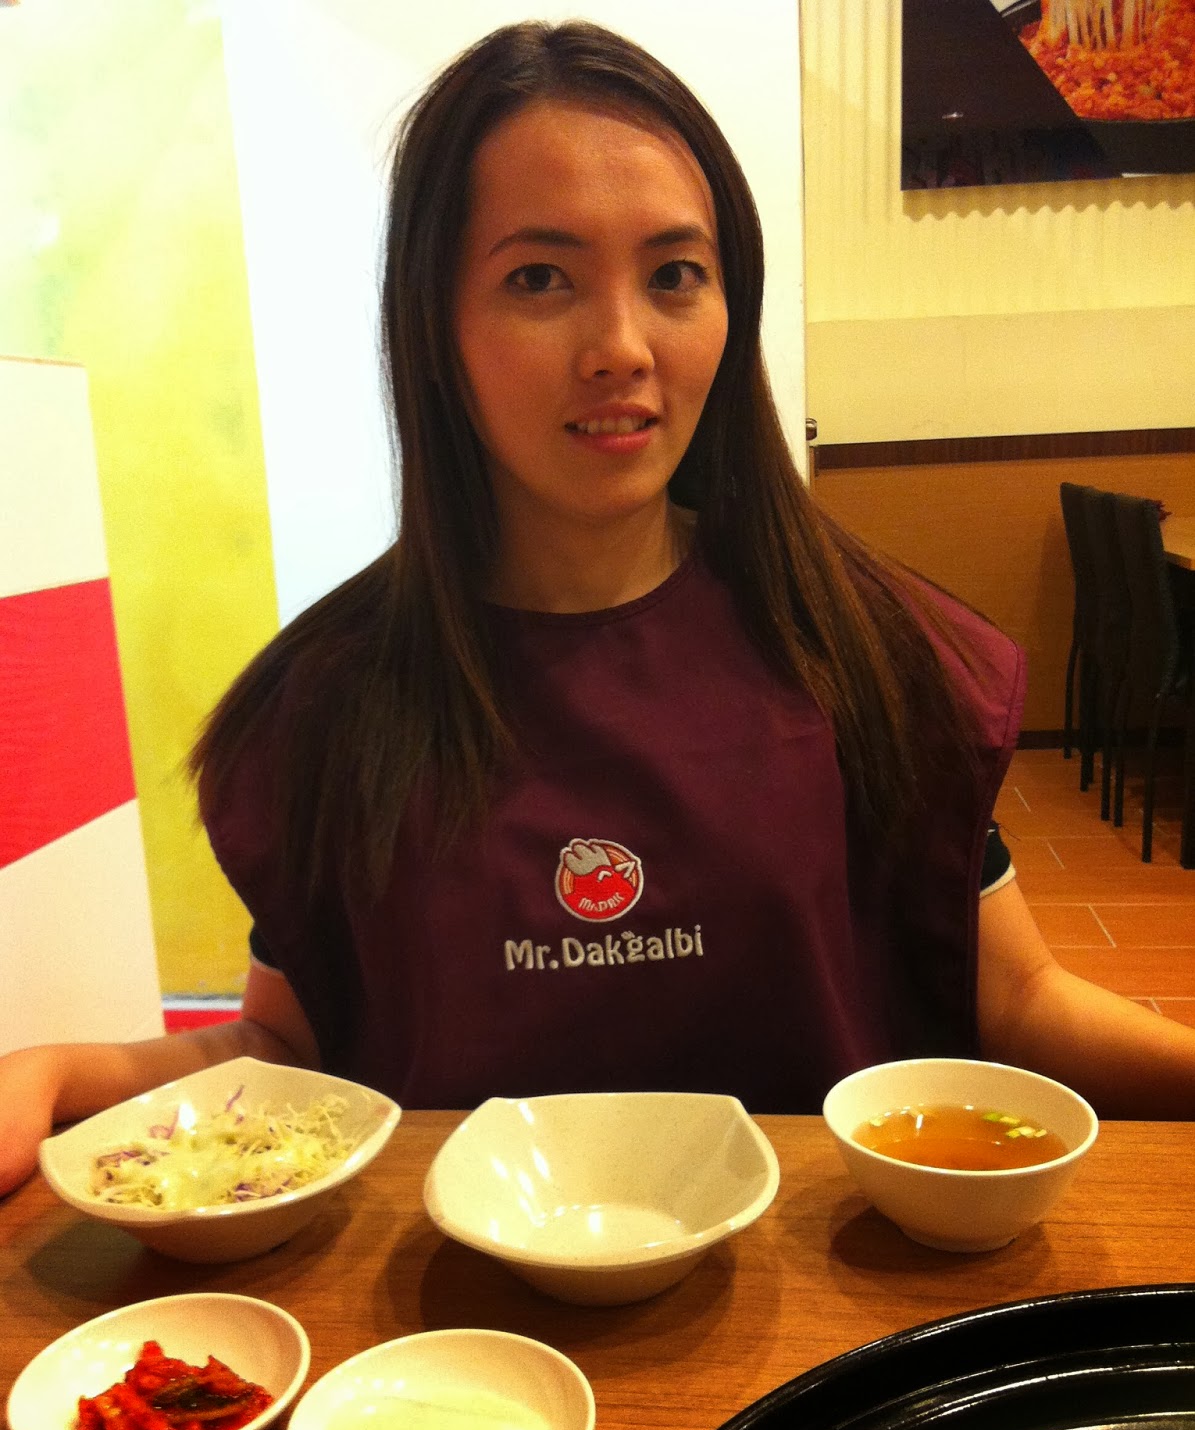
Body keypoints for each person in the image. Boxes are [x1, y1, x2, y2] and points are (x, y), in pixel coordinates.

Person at [3, 20, 1194, 1199]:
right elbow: (286, 1049)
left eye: (674, 275)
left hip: (817, 1298)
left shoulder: (867, 647)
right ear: (434, 327)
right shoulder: (327, 705)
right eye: (539, 279)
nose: (620, 347)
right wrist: (59, 1074)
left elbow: (1016, 999)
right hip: (449, 1315)